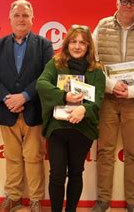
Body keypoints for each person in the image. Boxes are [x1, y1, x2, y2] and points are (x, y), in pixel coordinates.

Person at [91, 0, 134, 212]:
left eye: (133, 2)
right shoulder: (102, 26)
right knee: (105, 151)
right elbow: (94, 61)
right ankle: (102, 201)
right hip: (108, 99)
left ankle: (133, 202)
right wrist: (110, 85)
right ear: (116, 2)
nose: (128, 5)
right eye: (124, 1)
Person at [0, 0, 53, 212]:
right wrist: (7, 98)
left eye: (25, 15)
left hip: (33, 110)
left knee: (34, 157)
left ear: (33, 19)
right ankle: (13, 197)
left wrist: (24, 96)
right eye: (17, 15)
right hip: (7, 111)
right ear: (10, 19)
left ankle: (35, 200)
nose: (21, 19)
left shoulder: (44, 45)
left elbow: (47, 75)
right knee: (13, 157)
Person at [37, 25, 105, 212]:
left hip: (82, 130)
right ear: (67, 44)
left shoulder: (96, 71)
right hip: (57, 128)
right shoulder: (55, 64)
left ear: (88, 46)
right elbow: (42, 84)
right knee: (57, 174)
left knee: (76, 173)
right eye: (73, 42)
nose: (77, 46)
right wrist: (64, 96)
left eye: (82, 43)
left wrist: (83, 109)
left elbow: (97, 99)